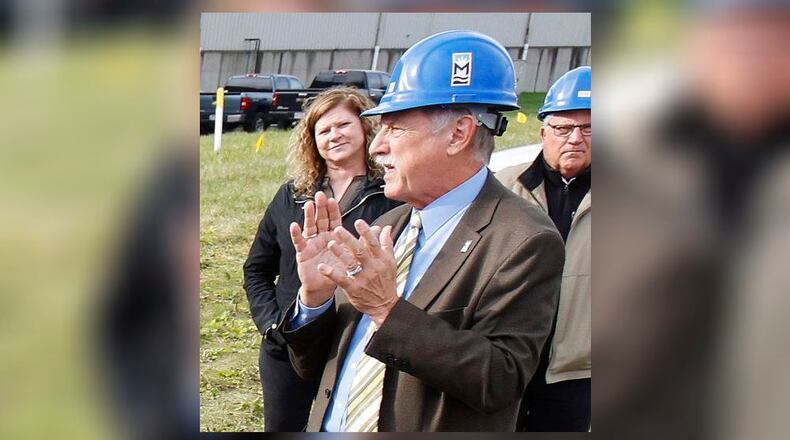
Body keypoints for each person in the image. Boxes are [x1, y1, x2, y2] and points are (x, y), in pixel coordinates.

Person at [275, 30, 565, 431]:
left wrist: (385, 309)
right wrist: (316, 298)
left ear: (459, 134)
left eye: (394, 128)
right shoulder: (387, 226)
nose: (376, 147)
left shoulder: (523, 240)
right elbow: (314, 367)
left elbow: (500, 379)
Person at [242, 86, 401, 432]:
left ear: (365, 129)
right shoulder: (293, 195)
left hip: (357, 345)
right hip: (291, 342)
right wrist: (272, 324)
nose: (334, 136)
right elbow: (257, 268)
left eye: (343, 125)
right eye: (323, 130)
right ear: (312, 142)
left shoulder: (391, 194)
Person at [496, 66, 591, 431]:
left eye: (588, 129)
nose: (574, 139)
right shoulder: (502, 187)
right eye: (563, 128)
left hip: (577, 372)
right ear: (543, 132)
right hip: (506, 361)